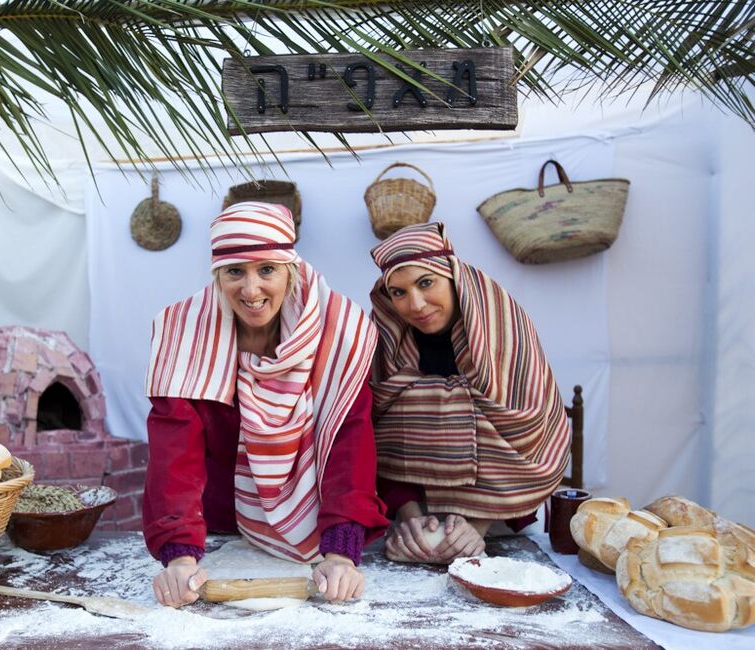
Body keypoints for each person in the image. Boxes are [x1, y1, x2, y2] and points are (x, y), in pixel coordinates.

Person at [143, 201, 388, 608]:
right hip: (214, 533)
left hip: (321, 536)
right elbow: (174, 452)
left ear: (289, 269)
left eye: (267, 269)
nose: (251, 289)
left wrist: (342, 550)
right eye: (235, 271)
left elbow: (350, 444)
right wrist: (179, 556)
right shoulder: (184, 333)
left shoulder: (337, 330)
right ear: (217, 276)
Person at [369, 222, 570, 564]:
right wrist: (410, 520)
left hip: (505, 523)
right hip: (418, 527)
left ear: (453, 277)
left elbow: (531, 431)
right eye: (398, 292)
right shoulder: (386, 345)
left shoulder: (503, 333)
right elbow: (383, 440)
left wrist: (477, 524)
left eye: (425, 282)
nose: (415, 304)